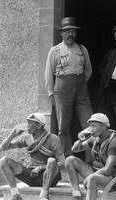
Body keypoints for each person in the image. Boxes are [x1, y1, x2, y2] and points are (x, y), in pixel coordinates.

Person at [44, 17, 93, 157]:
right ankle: (66, 158)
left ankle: (91, 157)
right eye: (67, 31)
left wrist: (80, 81)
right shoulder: (55, 50)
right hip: (62, 89)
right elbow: (48, 73)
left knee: (89, 122)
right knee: (63, 126)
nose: (71, 34)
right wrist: (51, 94)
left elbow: (88, 70)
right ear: (62, 33)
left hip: (81, 88)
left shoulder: (82, 49)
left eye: (73, 31)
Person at [0, 113, 65, 200]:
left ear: (38, 125)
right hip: (32, 175)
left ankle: (43, 196)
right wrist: (12, 135)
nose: (27, 126)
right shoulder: (26, 138)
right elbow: (3, 148)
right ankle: (16, 196)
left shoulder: (53, 139)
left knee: (51, 160)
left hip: (50, 177)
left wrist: (41, 167)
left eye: (30, 123)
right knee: (4, 161)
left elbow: (62, 163)